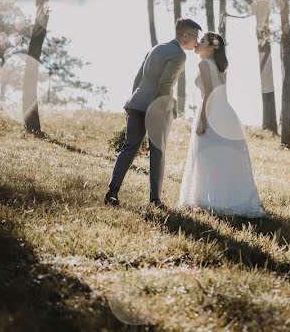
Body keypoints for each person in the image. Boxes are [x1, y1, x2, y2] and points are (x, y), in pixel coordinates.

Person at [104, 18, 201, 207]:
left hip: (136, 103)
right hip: (156, 107)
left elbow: (138, 77)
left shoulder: (156, 48)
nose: (197, 42)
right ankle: (155, 199)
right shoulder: (180, 55)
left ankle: (112, 192)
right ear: (185, 35)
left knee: (129, 147)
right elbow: (165, 83)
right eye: (195, 37)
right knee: (158, 152)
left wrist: (132, 102)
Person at [179, 32, 265, 217]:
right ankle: (226, 199)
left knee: (207, 156)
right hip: (225, 111)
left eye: (202, 41)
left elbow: (209, 92)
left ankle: (211, 200)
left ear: (212, 46)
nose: (197, 43)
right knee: (221, 157)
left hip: (211, 111)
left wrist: (202, 120)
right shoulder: (219, 68)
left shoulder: (203, 64)